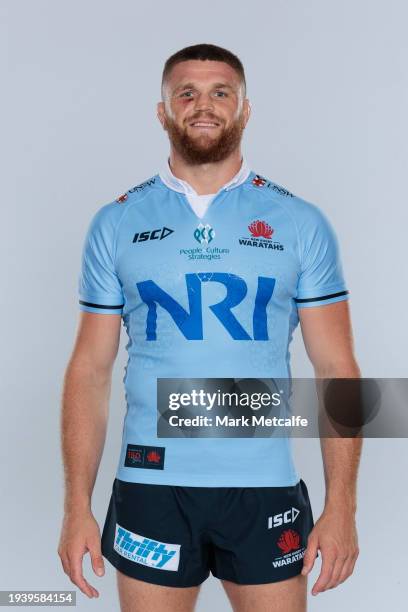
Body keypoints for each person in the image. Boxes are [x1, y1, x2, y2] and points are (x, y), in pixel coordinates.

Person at [58, 43, 361, 612]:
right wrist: (77, 503)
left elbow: (337, 369)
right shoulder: (118, 221)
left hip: (263, 484)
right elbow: (90, 370)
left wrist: (341, 504)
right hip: (151, 486)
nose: (204, 105)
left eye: (221, 92)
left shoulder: (300, 222)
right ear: (163, 111)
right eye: (187, 93)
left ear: (245, 109)